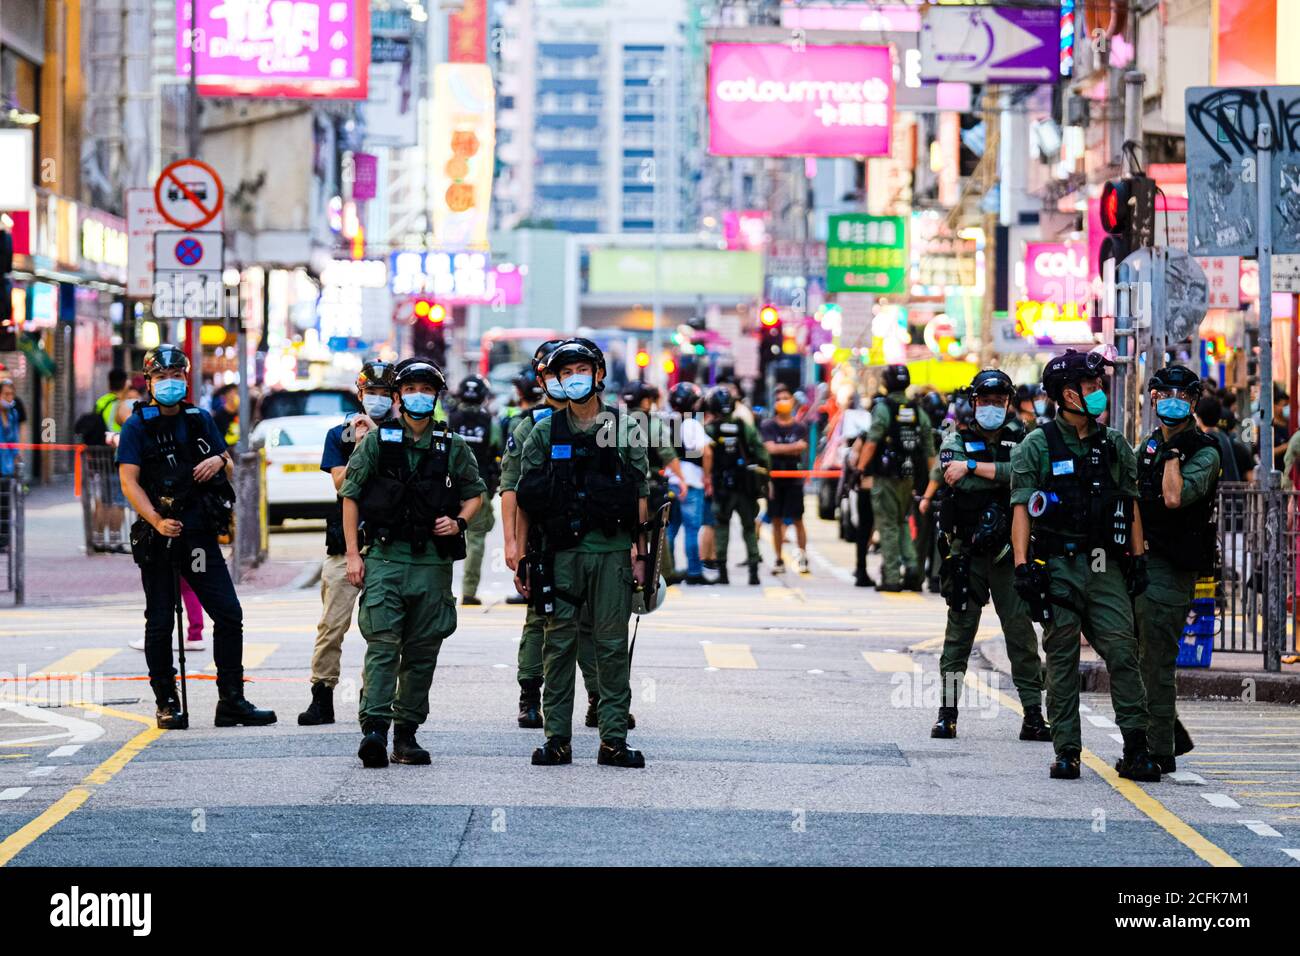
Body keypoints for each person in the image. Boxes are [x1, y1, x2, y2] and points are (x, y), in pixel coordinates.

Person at [1010, 348, 1159, 782]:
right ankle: (1067, 751)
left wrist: (1138, 558)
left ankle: (1135, 748)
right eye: (1091, 388)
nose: (1099, 395)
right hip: (1057, 565)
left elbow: (1129, 505)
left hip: (1105, 565)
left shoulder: (1113, 444)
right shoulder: (1036, 445)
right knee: (1060, 659)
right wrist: (1022, 567)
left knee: (1123, 653)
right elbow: (1022, 508)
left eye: (1098, 387)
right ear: (1066, 394)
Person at [116, 345, 275, 730]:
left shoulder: (199, 418)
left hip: (199, 538)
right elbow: (128, 481)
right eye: (162, 377)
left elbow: (230, 462)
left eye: (177, 376)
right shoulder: (137, 425)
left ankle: (232, 700)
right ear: (149, 381)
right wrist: (155, 520)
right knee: (160, 621)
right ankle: (167, 702)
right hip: (159, 538)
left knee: (228, 612)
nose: (170, 384)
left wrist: (217, 460)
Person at [339, 357, 485, 768]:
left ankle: (406, 734)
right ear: (400, 396)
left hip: (432, 566)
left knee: (422, 652)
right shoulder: (376, 441)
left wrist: (458, 522)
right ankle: (374, 730)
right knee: (383, 647)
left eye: (426, 390)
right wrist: (353, 555)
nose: (418, 397)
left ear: (436, 397)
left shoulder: (452, 446)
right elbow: (350, 496)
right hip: (385, 559)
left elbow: (475, 493)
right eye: (411, 390)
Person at [514, 339, 650, 768]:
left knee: (610, 646)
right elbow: (526, 497)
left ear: (598, 374)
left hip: (611, 553)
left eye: (581, 370)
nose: (575, 379)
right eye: (566, 372)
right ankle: (557, 740)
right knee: (558, 646)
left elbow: (640, 496)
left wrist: (642, 555)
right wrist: (521, 555)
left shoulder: (625, 428)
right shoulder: (543, 431)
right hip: (560, 554)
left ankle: (613, 740)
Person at [926, 370, 1048, 742]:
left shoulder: (1025, 438)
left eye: (998, 401)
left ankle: (1032, 715)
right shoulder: (956, 439)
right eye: (985, 401)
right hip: (967, 552)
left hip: (1011, 551)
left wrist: (977, 468)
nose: (991, 407)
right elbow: (954, 477)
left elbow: (1028, 476)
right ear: (973, 402)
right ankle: (947, 714)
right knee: (958, 636)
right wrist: (1000, 475)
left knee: (1021, 636)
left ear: (1008, 403)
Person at [500, 342, 607, 729]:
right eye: (556, 373)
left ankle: (600, 697)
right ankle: (531, 696)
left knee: (594, 622)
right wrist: (513, 544)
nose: (568, 380)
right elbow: (512, 487)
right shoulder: (531, 426)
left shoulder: (605, 423)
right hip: (547, 538)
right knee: (540, 618)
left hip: (595, 538)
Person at [298, 360, 396, 726]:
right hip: (345, 545)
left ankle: (374, 698)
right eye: (372, 393)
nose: (379, 400)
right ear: (360, 394)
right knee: (332, 625)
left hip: (389, 546)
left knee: (384, 629)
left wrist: (378, 439)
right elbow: (343, 483)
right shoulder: (339, 435)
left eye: (385, 394)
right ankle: (322, 695)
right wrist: (364, 444)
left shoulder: (405, 434)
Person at [1135, 366, 1219, 772]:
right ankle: (1168, 732)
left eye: (1181, 396)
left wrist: (1172, 454)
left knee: (1156, 658)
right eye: (1164, 394)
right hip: (1142, 561)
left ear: (1192, 402)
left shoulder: (1204, 450)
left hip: (1174, 567)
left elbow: (1173, 497)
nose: (1171, 402)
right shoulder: (1149, 444)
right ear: (1152, 399)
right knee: (1126, 649)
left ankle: (1159, 750)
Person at [855, 365, 936, 592]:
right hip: (909, 475)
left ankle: (891, 576)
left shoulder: (883, 408)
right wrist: (934, 481)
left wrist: (860, 469)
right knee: (901, 521)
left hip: (886, 475)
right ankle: (912, 569)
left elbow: (872, 441)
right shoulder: (917, 410)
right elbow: (929, 450)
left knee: (888, 525)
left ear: (886, 383)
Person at [702, 385, 769, 586]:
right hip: (746, 487)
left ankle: (722, 573)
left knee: (722, 527)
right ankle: (754, 573)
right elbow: (761, 452)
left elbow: (702, 456)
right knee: (749, 528)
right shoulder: (743, 426)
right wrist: (763, 478)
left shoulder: (710, 429)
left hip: (722, 487)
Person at [622, 381, 684, 583]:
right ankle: (664, 572)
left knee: (626, 532)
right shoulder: (652, 423)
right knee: (657, 531)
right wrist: (681, 479)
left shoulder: (616, 421)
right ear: (646, 401)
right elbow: (667, 453)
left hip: (623, 488)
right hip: (650, 488)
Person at [449, 373, 502, 606]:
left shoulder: (449, 419)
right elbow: (497, 452)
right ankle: (469, 591)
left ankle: (441, 589)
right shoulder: (491, 422)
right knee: (476, 540)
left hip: (448, 488)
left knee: (442, 538)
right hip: (478, 489)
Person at [664, 381, 713, 585]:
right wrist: (707, 476)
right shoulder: (691, 423)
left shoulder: (668, 421)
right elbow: (707, 451)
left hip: (671, 480)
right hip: (691, 481)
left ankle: (668, 570)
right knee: (692, 529)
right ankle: (694, 571)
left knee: (670, 529)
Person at [761, 384, 810, 574]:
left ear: (792, 401)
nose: (783, 402)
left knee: (798, 519)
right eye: (779, 399)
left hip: (794, 479)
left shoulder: (800, 426)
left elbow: (802, 446)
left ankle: (803, 557)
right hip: (774, 480)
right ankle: (779, 559)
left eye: (786, 398)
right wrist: (792, 447)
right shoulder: (768, 425)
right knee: (776, 520)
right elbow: (770, 448)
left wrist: (781, 448)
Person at [0, 378, 21, 550]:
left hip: (6, 466)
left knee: (5, 503)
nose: (9, 397)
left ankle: (4, 541)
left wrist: (17, 456)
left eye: (11, 394)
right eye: (6, 394)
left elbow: (13, 440)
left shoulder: (13, 414)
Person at [210, 384, 240, 449]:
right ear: (226, 396)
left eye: (237, 393)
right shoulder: (218, 416)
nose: (235, 397)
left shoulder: (241, 414)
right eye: (233, 393)